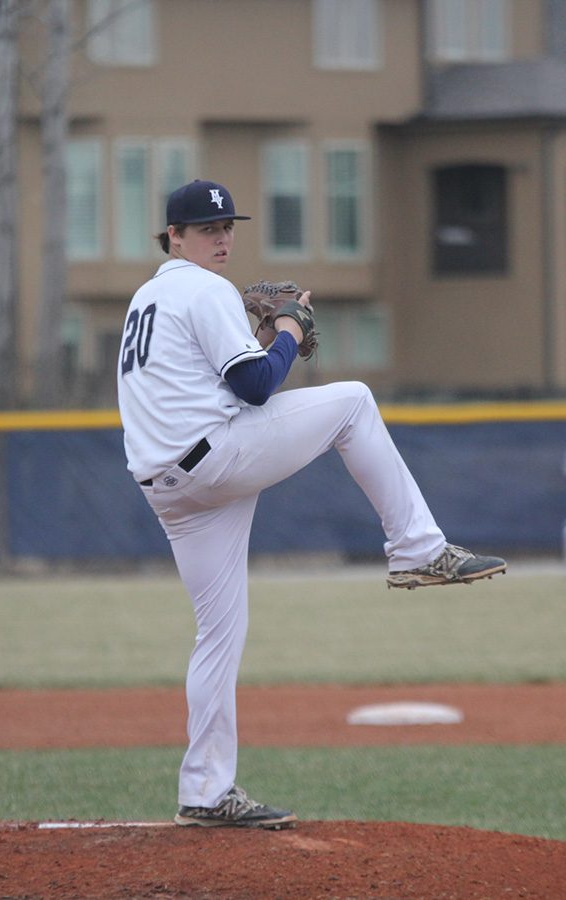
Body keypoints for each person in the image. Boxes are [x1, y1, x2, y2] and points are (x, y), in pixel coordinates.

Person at [116, 178, 507, 830]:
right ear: (173, 236)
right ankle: (418, 549)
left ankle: (207, 792)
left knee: (218, 634)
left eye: (227, 227)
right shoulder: (202, 288)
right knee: (352, 401)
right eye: (207, 229)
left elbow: (212, 384)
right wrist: (290, 330)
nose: (222, 238)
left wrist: (271, 339)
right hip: (214, 461)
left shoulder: (145, 298)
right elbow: (255, 386)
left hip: (169, 486)